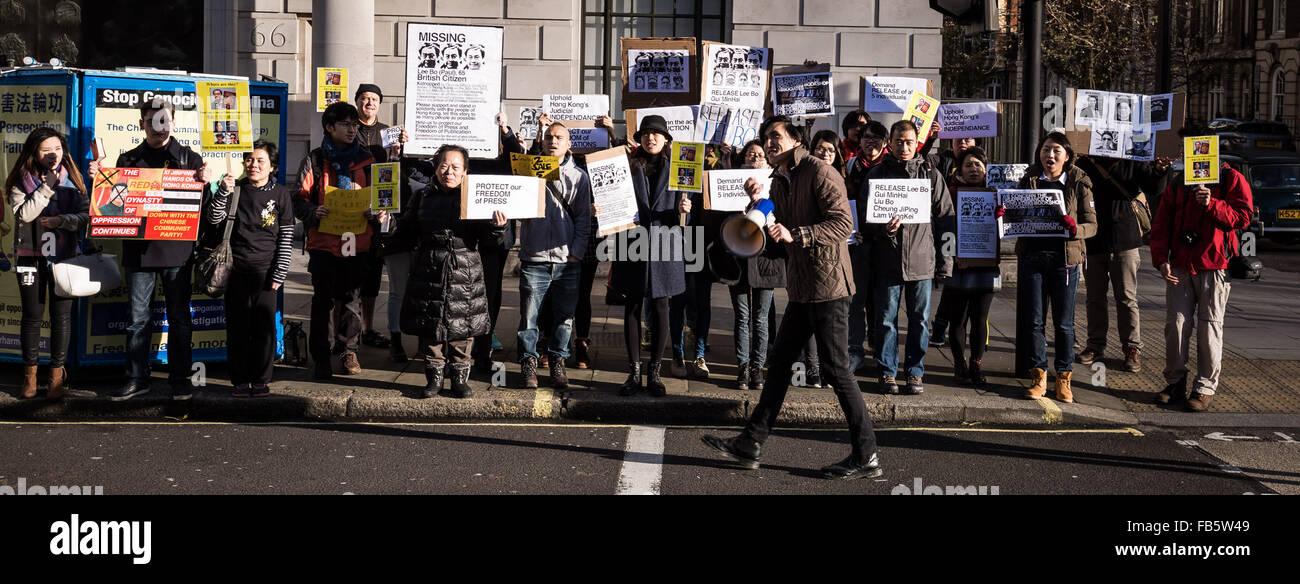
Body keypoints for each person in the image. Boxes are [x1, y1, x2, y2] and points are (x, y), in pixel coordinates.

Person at [701, 115, 882, 480]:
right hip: (802, 287)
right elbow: (775, 225)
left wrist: (797, 234)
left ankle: (866, 455)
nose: (769, 142)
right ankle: (750, 443)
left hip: (829, 285)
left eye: (776, 136)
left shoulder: (818, 172)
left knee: (836, 370)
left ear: (796, 140)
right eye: (765, 137)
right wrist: (758, 203)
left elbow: (843, 223)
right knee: (781, 361)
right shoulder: (779, 179)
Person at [109, 97, 211, 401]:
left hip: (178, 251)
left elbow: (203, 212)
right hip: (139, 252)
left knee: (179, 319)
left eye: (164, 120)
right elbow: (114, 207)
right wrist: (101, 184)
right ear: (142, 124)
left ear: (174, 122)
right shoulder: (126, 160)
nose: (158, 126)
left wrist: (208, 185)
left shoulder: (191, 160)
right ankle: (137, 378)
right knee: (137, 320)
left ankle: (181, 380)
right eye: (152, 121)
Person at [395, 145, 507, 398]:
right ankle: (433, 380)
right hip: (429, 268)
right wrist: (383, 234)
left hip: (465, 271)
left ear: (465, 171)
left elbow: (489, 242)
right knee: (430, 328)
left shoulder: (476, 197)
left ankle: (459, 379)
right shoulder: (422, 196)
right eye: (444, 165)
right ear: (435, 168)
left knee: (462, 328)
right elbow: (406, 231)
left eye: (456, 167)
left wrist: (498, 228)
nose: (449, 172)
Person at [1149, 140, 1253, 412]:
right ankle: (1175, 383)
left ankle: (1204, 387)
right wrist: (1161, 260)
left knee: (1209, 329)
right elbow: (1161, 223)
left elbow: (1243, 217)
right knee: (1176, 326)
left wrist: (1212, 204)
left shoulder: (1231, 178)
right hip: (1181, 265)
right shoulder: (1180, 181)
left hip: (1215, 266)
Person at [292, 101, 385, 379]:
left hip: (358, 242)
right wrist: (312, 211)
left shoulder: (368, 160)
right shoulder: (315, 160)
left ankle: (348, 350)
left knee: (351, 299)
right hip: (323, 244)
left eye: (355, 124)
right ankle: (321, 355)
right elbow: (298, 199)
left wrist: (378, 212)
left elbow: (384, 199)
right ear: (329, 127)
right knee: (323, 302)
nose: (352, 129)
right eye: (346, 124)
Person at [866, 120, 955, 395]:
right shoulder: (877, 174)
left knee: (919, 320)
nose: (904, 147)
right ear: (889, 143)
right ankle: (887, 372)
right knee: (885, 320)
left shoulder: (931, 174)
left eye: (909, 142)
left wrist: (945, 262)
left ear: (917, 143)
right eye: (898, 142)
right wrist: (884, 229)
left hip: (922, 261)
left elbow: (945, 220)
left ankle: (915, 373)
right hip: (887, 261)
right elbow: (865, 220)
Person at [605, 115, 691, 397]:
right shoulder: (625, 165)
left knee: (662, 306)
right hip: (632, 242)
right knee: (631, 306)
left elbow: (686, 217)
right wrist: (602, 210)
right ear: (639, 138)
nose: (651, 138)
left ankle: (654, 371)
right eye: (646, 134)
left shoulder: (679, 166)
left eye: (656, 134)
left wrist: (685, 210)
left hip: (666, 243)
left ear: (666, 139)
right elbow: (611, 199)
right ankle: (634, 372)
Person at [5, 128, 89, 399]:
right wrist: (47, 186)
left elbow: (86, 216)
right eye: (46, 150)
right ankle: (29, 378)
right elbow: (26, 214)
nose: (54, 154)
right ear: (34, 153)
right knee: (32, 316)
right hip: (30, 255)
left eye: (58, 148)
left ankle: (56, 378)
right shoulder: (21, 180)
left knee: (61, 317)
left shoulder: (73, 178)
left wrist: (62, 221)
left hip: (64, 256)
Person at [205, 140, 293, 397]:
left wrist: (280, 273)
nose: (253, 165)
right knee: (238, 329)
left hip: (267, 273)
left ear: (272, 167)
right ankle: (240, 379)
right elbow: (214, 219)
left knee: (265, 328)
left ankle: (261, 379)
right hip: (235, 271)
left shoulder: (281, 194)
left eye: (260, 161)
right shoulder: (236, 189)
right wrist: (223, 191)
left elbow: (286, 236)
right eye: (249, 160)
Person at [1014, 132, 1097, 403]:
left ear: (1067, 156)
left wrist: (1076, 230)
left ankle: (1064, 377)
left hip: (1066, 261)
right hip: (1033, 258)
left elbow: (1092, 225)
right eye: (1046, 150)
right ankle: (1039, 375)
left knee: (1063, 324)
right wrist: (1005, 215)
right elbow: (1014, 212)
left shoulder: (1079, 182)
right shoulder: (1028, 181)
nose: (1049, 155)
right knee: (1034, 320)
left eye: (1056, 151)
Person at [1074, 154, 1171, 373]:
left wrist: (1160, 169)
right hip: (1093, 238)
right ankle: (1095, 345)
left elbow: (1155, 189)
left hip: (1124, 238)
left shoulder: (1132, 158)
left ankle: (1132, 348)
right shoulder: (1085, 162)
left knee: (1126, 297)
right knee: (1094, 297)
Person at [516, 122, 592, 390]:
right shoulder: (527, 170)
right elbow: (516, 208)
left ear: (569, 144)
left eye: (559, 137)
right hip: (534, 256)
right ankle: (528, 362)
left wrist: (576, 254)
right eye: (549, 137)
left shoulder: (580, 177)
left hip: (566, 260)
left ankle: (559, 360)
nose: (553, 141)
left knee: (565, 317)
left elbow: (583, 219)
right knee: (529, 317)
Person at [352, 83, 408, 354]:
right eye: (365, 98)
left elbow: (397, 168)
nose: (369, 103)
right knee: (353, 274)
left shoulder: (388, 132)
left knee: (373, 274)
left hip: (382, 206)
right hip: (353, 206)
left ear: (379, 104)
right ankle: (348, 329)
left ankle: (368, 328)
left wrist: (401, 148)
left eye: (374, 99)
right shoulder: (349, 128)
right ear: (357, 102)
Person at [727, 139, 783, 390]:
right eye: (751, 154)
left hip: (765, 261)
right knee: (742, 316)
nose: (755, 158)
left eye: (760, 155)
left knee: (760, 318)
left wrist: (761, 206)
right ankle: (742, 367)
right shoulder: (728, 187)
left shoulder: (775, 191)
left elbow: (779, 225)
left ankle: (757, 368)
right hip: (737, 261)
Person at [940, 147, 999, 386]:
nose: (974, 169)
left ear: (986, 169)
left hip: (985, 264)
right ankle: (959, 364)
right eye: (968, 165)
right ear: (960, 169)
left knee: (980, 317)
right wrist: (950, 255)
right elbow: (943, 226)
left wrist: (1003, 217)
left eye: (978, 165)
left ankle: (976, 363)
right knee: (958, 319)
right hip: (959, 265)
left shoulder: (996, 193)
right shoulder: (950, 193)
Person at [845, 120, 889, 372]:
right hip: (858, 242)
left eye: (876, 137)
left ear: (884, 142)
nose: (870, 141)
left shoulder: (890, 165)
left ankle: (879, 348)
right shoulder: (851, 166)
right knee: (856, 299)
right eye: (866, 137)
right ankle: (855, 350)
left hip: (884, 243)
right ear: (859, 141)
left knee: (881, 301)